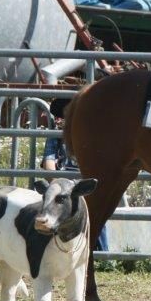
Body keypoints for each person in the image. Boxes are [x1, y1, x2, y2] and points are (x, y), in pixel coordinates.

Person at [42, 98, 108, 251]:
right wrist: (59, 186)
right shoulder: (56, 135)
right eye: (68, 112)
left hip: (85, 183)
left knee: (96, 211)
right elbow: (48, 163)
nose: (71, 116)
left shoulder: (93, 135)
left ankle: (101, 252)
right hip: (63, 183)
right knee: (50, 208)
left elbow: (99, 166)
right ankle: (51, 250)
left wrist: (84, 186)